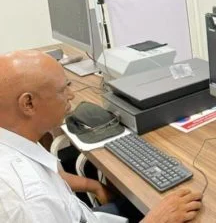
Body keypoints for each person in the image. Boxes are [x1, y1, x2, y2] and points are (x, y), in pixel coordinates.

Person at [0, 50, 203, 222]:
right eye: (63, 89)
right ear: (28, 104)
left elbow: (49, 174)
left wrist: (93, 185)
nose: (71, 95)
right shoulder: (29, 203)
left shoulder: (13, 138)